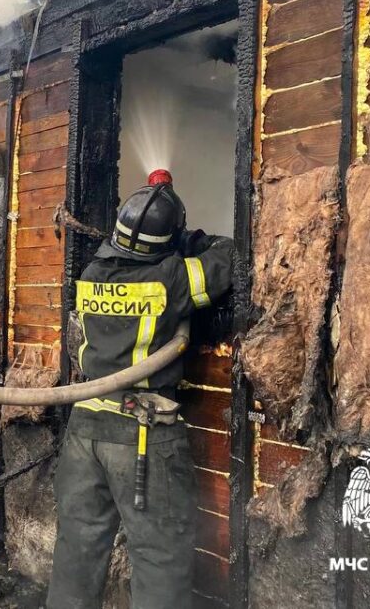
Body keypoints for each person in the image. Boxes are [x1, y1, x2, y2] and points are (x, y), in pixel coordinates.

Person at [47, 175, 233, 608]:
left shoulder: (91, 273)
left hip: (84, 431)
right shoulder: (171, 279)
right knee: (159, 556)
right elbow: (230, 257)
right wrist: (191, 239)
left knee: (77, 549)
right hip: (141, 436)